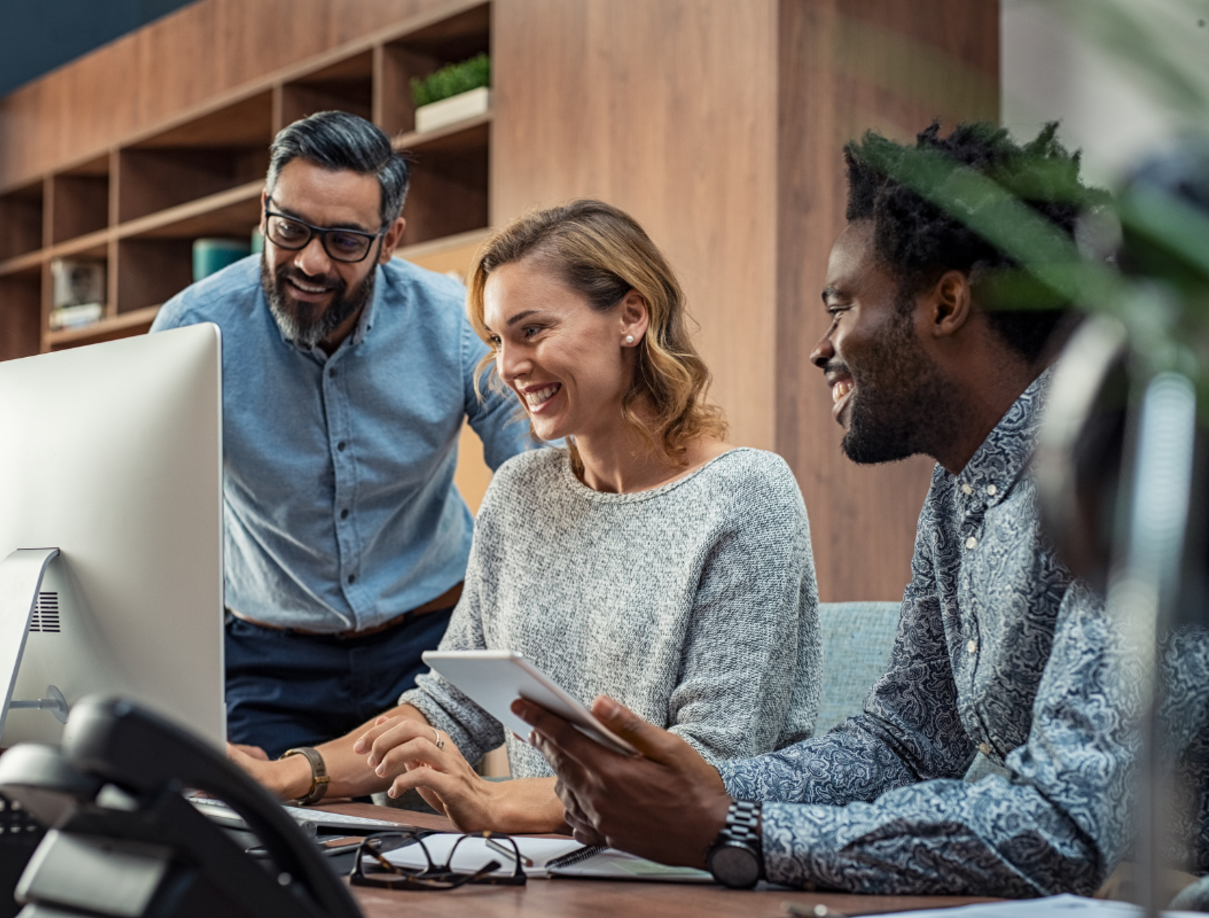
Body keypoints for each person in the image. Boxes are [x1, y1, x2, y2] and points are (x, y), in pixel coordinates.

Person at [517, 123, 1209, 896]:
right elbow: (905, 744)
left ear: (946, 303)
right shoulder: (959, 491)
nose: (823, 347)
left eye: (841, 306)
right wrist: (698, 787)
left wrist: (733, 830)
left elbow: (1059, 824)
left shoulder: (1133, 460)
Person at [229, 199, 821, 833]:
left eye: (532, 330)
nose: (507, 367)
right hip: (549, 864)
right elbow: (449, 709)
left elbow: (710, 767)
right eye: (497, 340)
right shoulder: (518, 492)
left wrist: (495, 803)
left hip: (695, 868)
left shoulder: (747, 494)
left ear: (631, 315)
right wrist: (291, 774)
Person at [150, 111, 532, 764]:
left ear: (389, 240)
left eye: (346, 242)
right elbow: (148, 516)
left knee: (435, 853)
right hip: (270, 658)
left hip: (429, 647)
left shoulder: (452, 324)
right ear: (265, 208)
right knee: (267, 845)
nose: (309, 261)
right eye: (290, 228)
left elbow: (537, 473)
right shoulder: (192, 331)